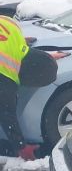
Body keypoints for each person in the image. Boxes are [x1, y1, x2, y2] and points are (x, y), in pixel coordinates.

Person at [0, 15, 58, 160]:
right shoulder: (6, 75)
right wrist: (21, 146)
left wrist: (47, 58)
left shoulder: (14, 28)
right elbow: (6, 113)